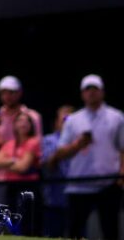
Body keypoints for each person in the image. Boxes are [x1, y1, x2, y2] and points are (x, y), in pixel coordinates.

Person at [50, 74, 124, 240]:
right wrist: (77, 145)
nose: (91, 93)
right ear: (82, 94)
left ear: (102, 92)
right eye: (87, 89)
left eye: (95, 89)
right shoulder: (73, 120)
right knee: (74, 233)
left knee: (111, 232)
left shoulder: (117, 117)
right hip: (79, 184)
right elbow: (60, 153)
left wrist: (121, 176)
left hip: (109, 183)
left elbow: (123, 148)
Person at [0, 76, 42, 203]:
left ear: (19, 93)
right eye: (3, 92)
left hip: (26, 178)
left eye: (11, 92)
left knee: (25, 218)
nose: (7, 96)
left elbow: (35, 149)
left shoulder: (32, 117)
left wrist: (10, 162)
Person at [41, 104, 74, 238]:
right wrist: (62, 151)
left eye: (70, 121)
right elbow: (48, 166)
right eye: (64, 120)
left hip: (78, 198)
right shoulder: (48, 140)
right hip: (54, 199)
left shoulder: (81, 142)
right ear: (56, 122)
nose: (67, 124)